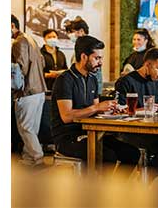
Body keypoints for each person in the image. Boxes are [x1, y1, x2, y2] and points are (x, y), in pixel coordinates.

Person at [51, 35, 139, 165]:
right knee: (107, 155)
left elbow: (95, 112)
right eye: (97, 58)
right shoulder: (65, 80)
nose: (101, 62)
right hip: (68, 137)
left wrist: (110, 110)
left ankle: (114, 180)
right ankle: (98, 179)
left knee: (132, 153)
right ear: (83, 57)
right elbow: (67, 116)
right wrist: (97, 107)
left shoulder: (92, 79)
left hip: (91, 132)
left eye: (101, 58)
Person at [11, 14, 47, 166]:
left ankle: (37, 157)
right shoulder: (31, 39)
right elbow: (42, 63)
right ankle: (29, 157)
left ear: (12, 26)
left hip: (27, 90)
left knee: (25, 128)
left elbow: (21, 68)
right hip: (39, 89)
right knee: (32, 128)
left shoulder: (18, 42)